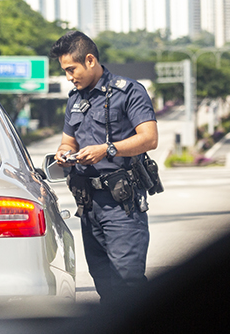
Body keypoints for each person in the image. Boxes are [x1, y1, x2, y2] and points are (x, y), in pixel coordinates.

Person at [50, 30, 158, 304]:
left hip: (121, 205)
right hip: (89, 206)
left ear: (89, 60)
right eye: (64, 71)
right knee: (104, 284)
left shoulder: (128, 91)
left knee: (127, 284)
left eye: (71, 69)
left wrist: (108, 150)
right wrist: (64, 154)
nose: (68, 77)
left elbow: (150, 138)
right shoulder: (75, 99)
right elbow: (67, 142)